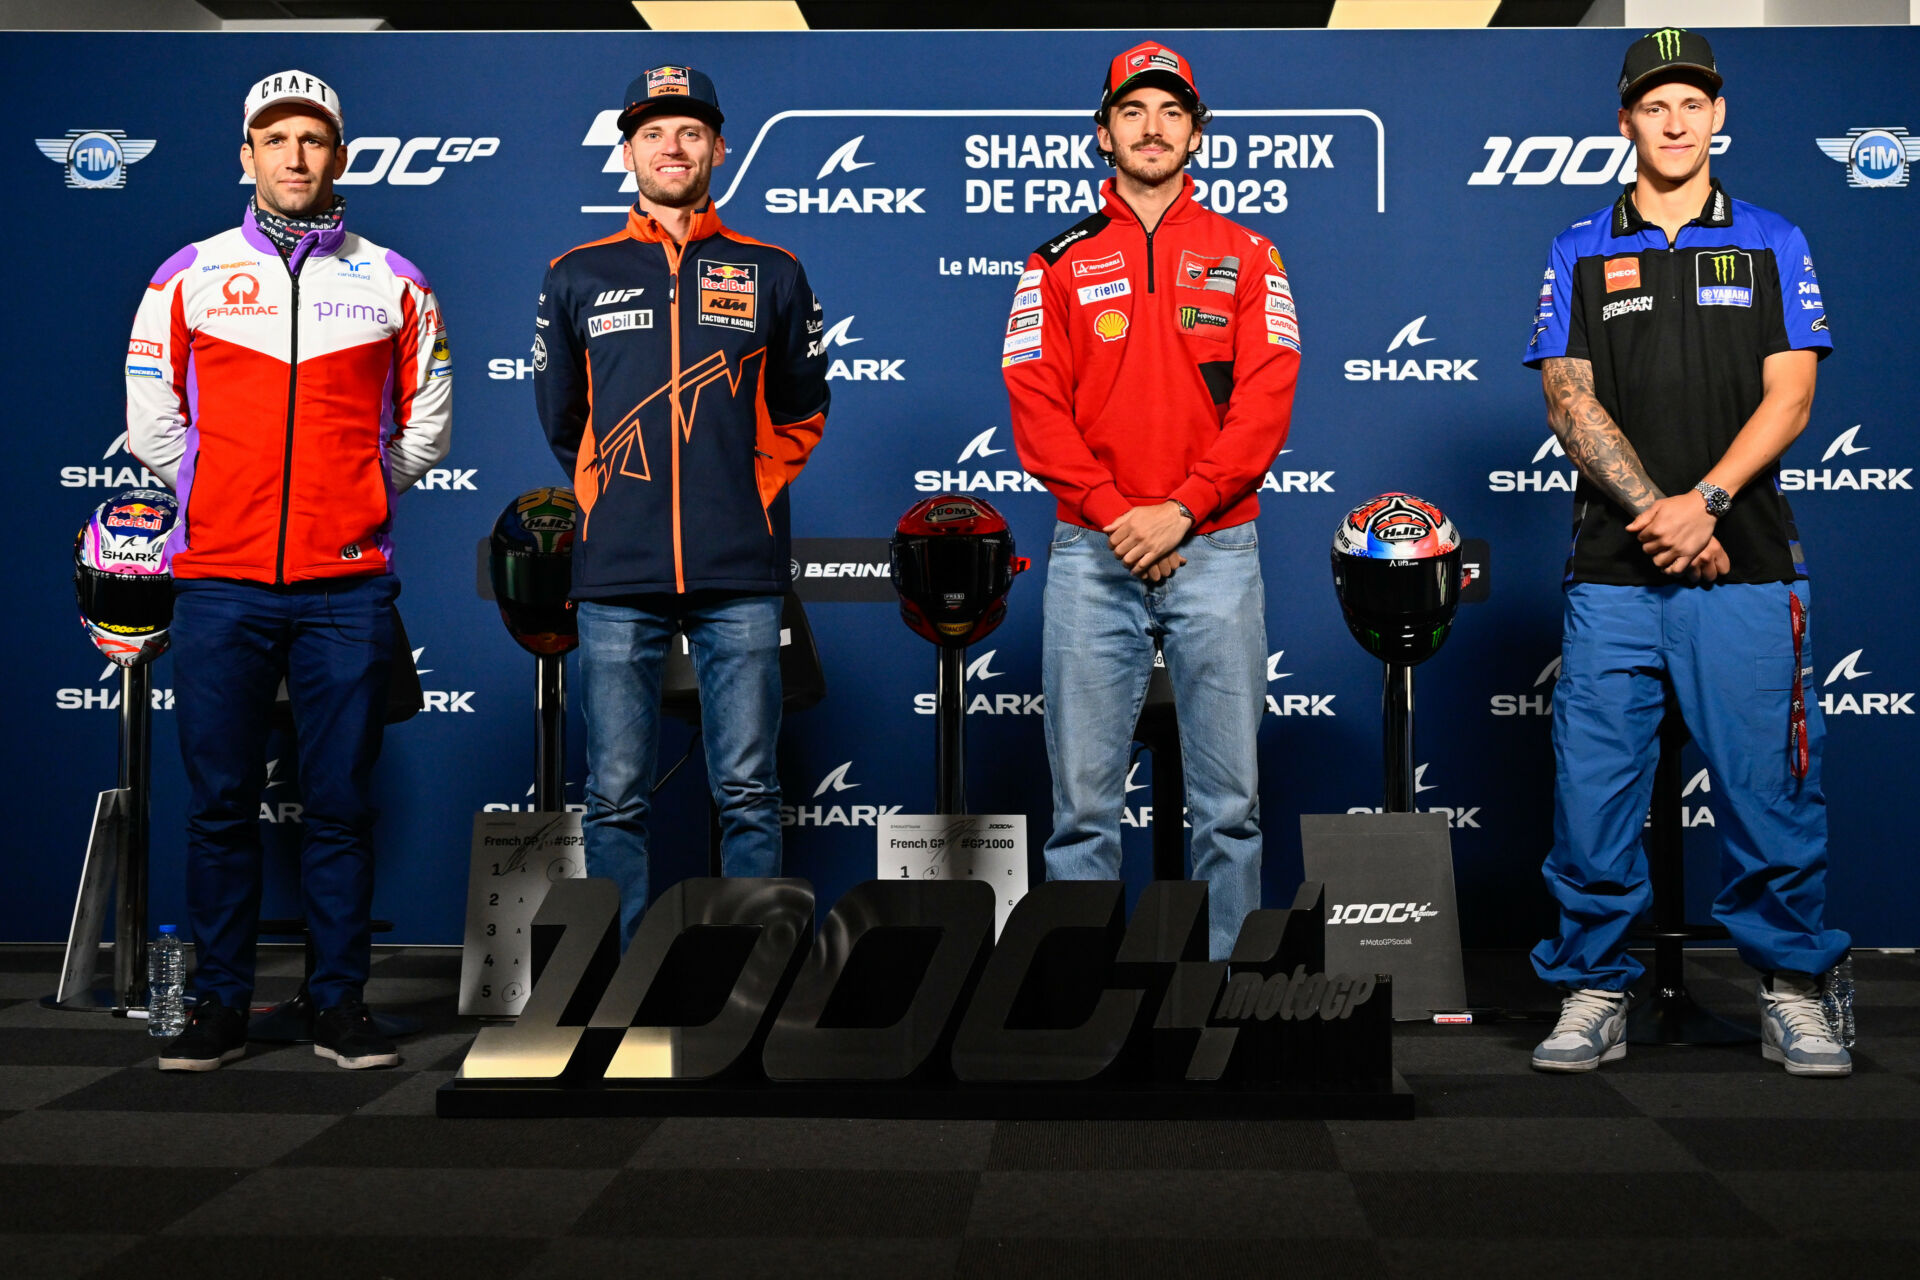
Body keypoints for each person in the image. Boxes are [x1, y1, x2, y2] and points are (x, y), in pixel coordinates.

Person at [1523, 28, 1852, 1076]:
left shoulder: (1771, 238)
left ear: (1718, 116)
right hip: (1615, 574)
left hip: (1746, 562)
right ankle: (1592, 987)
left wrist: (1704, 502)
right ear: (1624, 121)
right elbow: (1568, 398)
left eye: (1691, 103)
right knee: (1593, 801)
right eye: (1652, 105)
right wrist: (1659, 513)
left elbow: (1792, 395)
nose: (1673, 122)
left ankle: (1792, 988)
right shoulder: (1579, 245)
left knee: (1769, 794)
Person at [126, 70, 452, 1070]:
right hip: (220, 579)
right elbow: (153, 425)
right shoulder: (186, 272)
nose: (296, 156)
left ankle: (336, 1005)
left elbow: (426, 429)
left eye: (313, 139)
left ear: (339, 155)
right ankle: (221, 1004)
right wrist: (228, 490)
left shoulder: (396, 279)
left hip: (346, 586)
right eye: (277, 141)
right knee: (221, 802)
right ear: (247, 157)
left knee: (342, 804)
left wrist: (349, 490)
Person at [1003, 41, 1299, 961]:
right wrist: (1111, 509)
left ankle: (1224, 995)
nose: (1152, 126)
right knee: (1084, 808)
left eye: (1171, 112)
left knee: (1230, 807)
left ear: (1197, 135)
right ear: (1104, 133)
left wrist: (1182, 509)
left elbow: (1269, 391)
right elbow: (1033, 397)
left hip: (1214, 544)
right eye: (1133, 111)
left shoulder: (1250, 254)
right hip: (1093, 551)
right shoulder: (1053, 261)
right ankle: (1081, 998)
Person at [534, 66, 828, 944]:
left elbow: (803, 407)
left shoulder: (771, 269)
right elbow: (563, 417)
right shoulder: (575, 274)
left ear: (718, 150)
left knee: (747, 788)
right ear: (628, 152)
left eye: (691, 132)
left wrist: (751, 488)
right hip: (618, 572)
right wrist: (607, 497)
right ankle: (621, 974)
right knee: (617, 792)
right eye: (654, 133)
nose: (673, 147)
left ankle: (750, 971)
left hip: (739, 571)